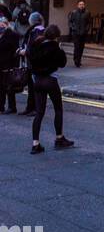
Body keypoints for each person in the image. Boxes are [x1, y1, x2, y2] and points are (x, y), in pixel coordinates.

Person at [28, 24, 74, 154]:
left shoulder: (36, 46)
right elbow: (62, 63)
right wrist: (59, 50)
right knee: (58, 109)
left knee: (39, 113)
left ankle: (35, 143)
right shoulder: (56, 49)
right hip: (50, 80)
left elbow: (31, 59)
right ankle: (59, 138)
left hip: (37, 81)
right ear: (56, 37)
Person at [20, 12, 45, 115]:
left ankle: (35, 109)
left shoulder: (37, 31)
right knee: (31, 87)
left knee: (35, 88)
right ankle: (29, 108)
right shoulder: (36, 30)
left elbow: (35, 49)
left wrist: (25, 52)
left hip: (36, 64)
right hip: (32, 63)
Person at [0, 15, 19, 113]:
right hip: (3, 63)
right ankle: (2, 106)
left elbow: (12, 50)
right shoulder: (3, 34)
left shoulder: (12, 35)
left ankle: (12, 107)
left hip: (8, 64)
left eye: (2, 24)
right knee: (2, 87)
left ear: (6, 24)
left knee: (9, 86)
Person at [67, 0, 92, 68]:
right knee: (77, 47)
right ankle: (76, 60)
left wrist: (86, 30)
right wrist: (73, 28)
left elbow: (89, 22)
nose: (81, 5)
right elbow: (70, 22)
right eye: (80, 4)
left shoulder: (87, 13)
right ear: (77, 5)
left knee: (81, 47)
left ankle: (79, 60)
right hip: (75, 33)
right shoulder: (74, 12)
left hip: (83, 33)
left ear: (84, 5)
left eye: (83, 4)